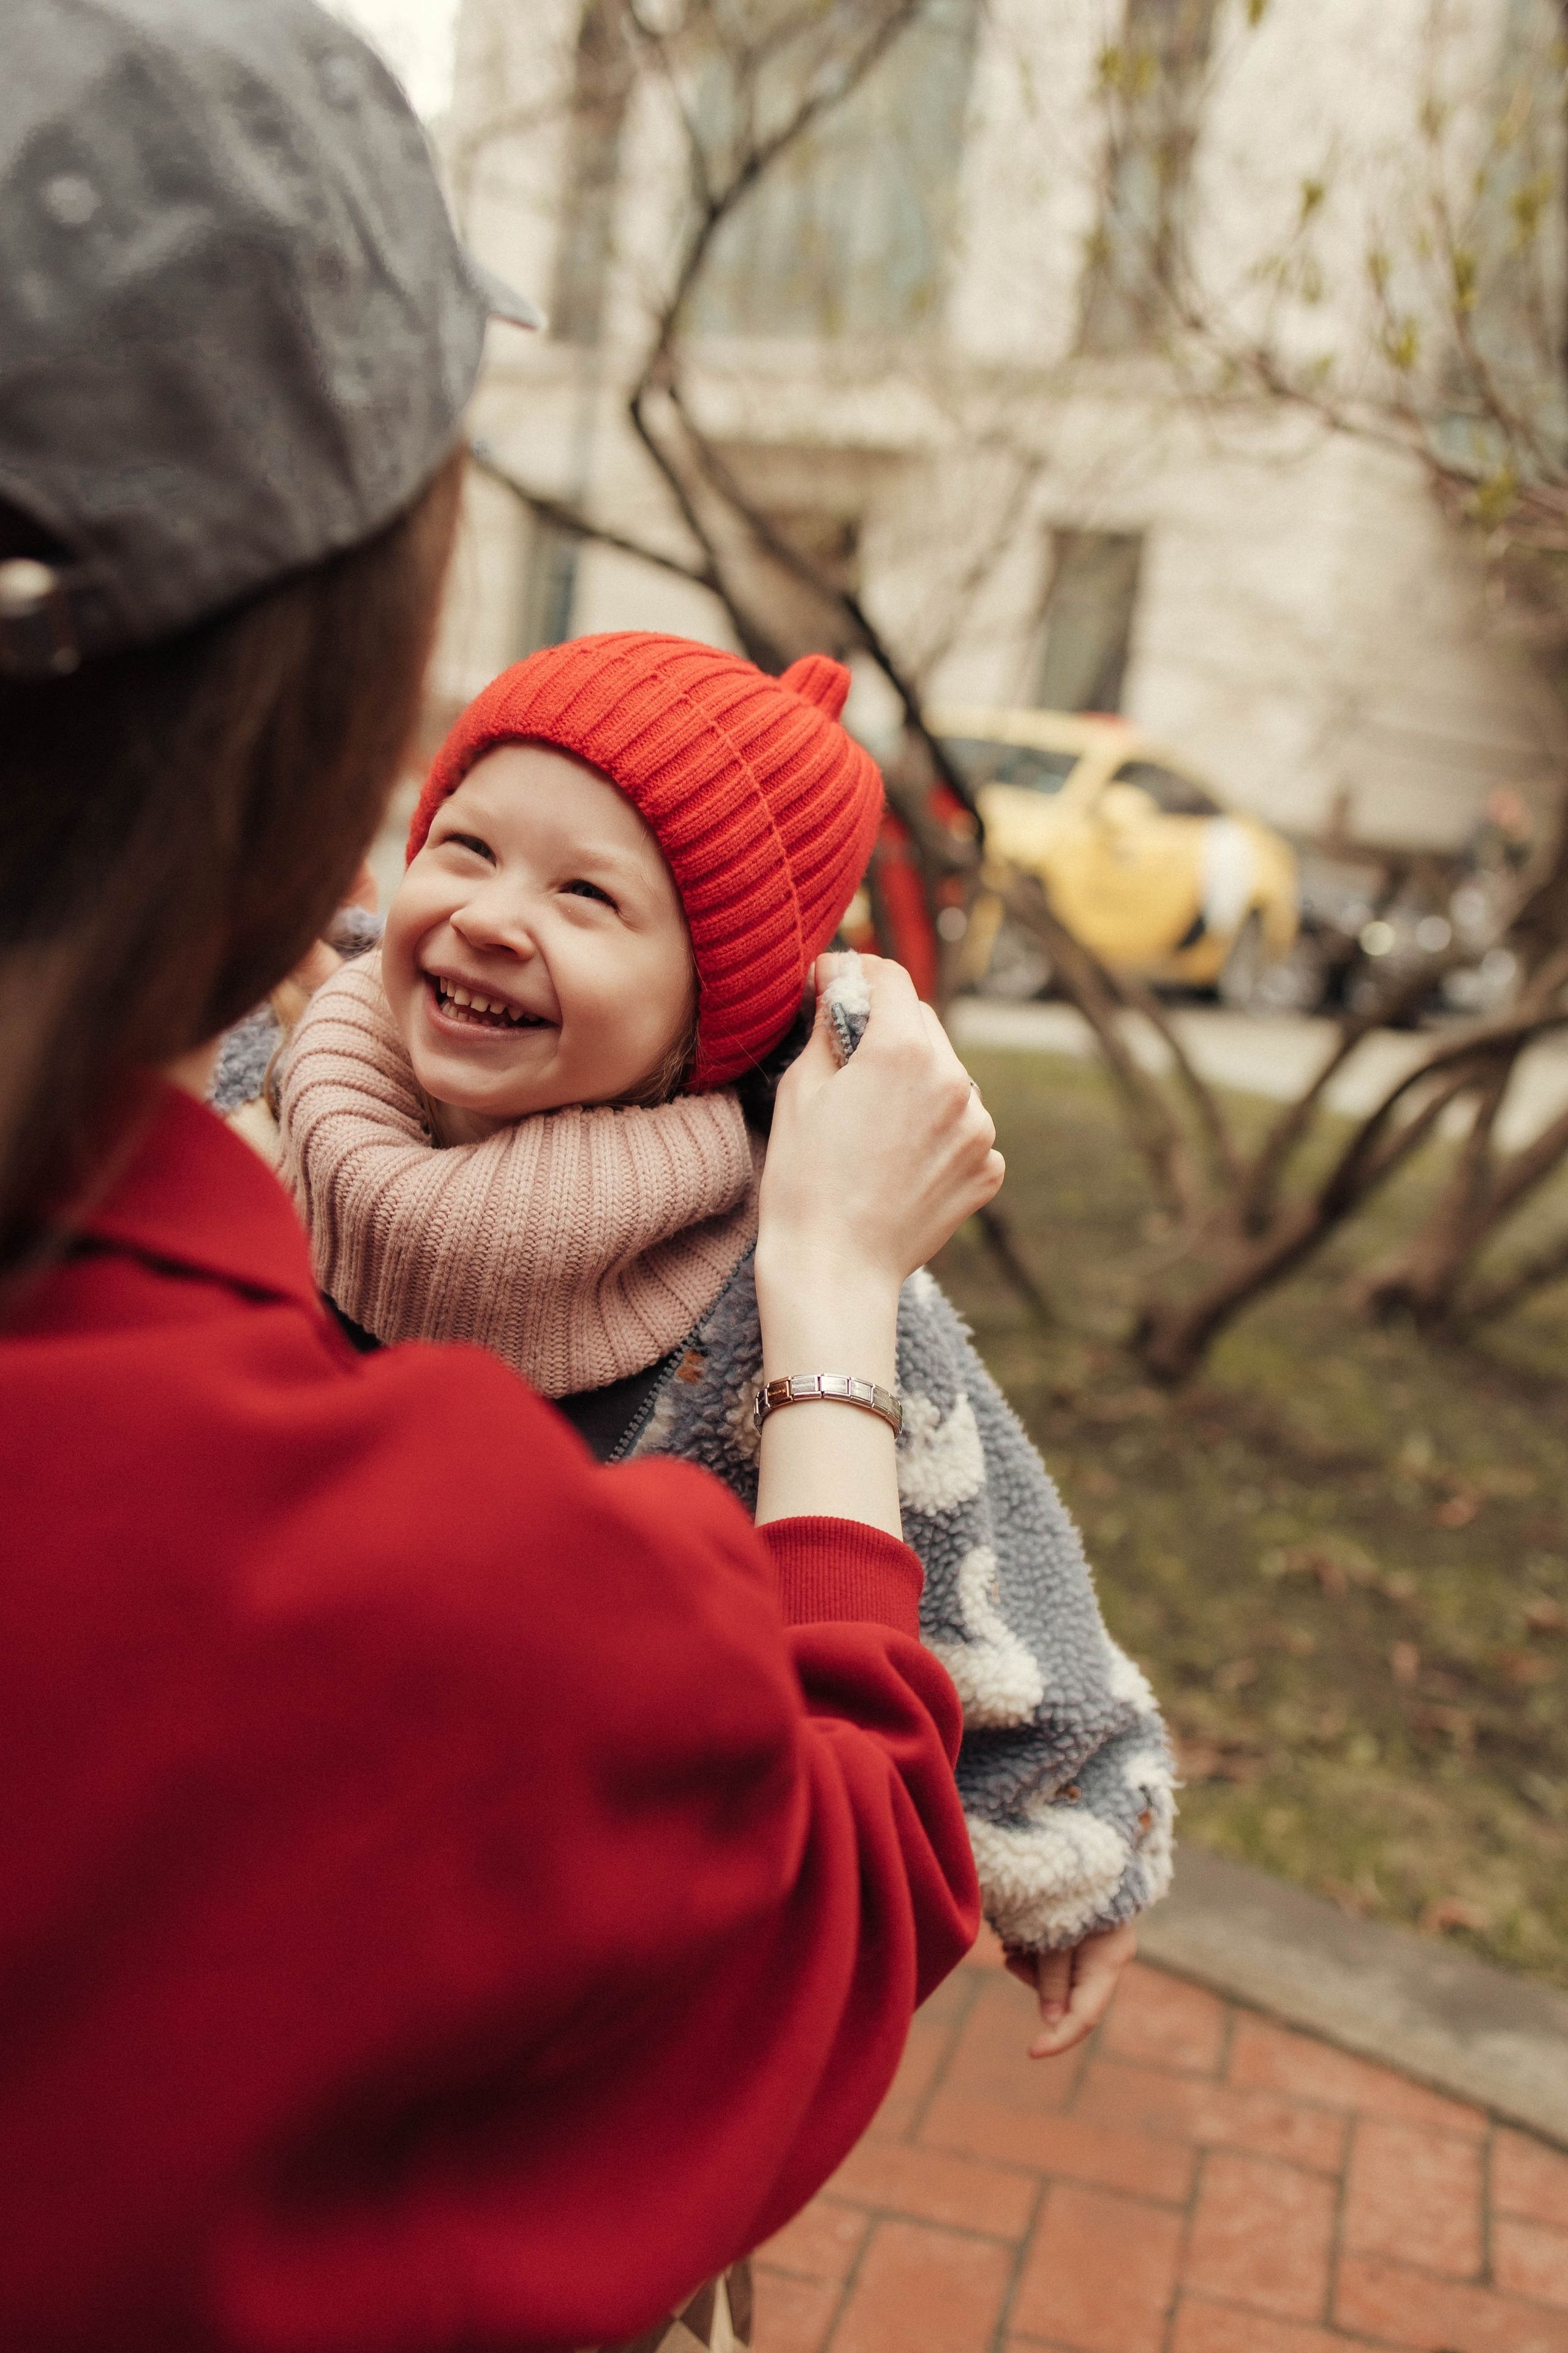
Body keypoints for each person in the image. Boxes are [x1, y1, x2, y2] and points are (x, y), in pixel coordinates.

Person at [0, 5, 1005, 2348]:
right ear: (320, 756)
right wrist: (833, 1294)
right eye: (466, 836)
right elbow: (848, 1863)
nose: (483, 915)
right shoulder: (415, 1583)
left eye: (595, 892)